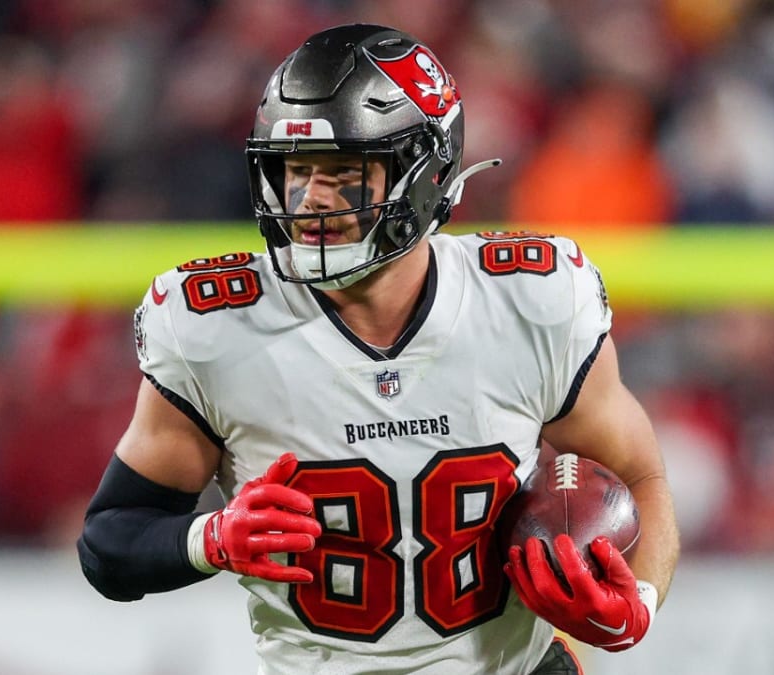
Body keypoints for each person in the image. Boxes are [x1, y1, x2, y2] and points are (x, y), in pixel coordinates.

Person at [77, 23, 680, 674]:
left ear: (428, 175)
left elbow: (642, 476)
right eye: (296, 170)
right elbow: (110, 543)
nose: (311, 200)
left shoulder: (530, 300)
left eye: (343, 172)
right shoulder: (214, 328)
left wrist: (636, 600)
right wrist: (210, 536)